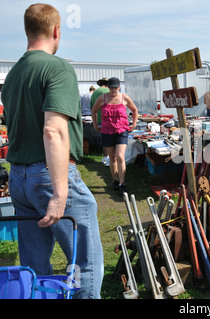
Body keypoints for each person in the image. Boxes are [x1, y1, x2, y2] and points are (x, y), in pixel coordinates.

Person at [1, 3, 103, 299]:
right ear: (56, 30)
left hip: (19, 176)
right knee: (85, 259)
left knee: (33, 263)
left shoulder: (15, 73)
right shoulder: (57, 67)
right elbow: (53, 130)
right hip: (49, 174)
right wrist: (60, 193)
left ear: (27, 30)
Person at [91, 77, 138, 194]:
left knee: (120, 156)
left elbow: (135, 110)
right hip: (107, 131)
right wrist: (96, 125)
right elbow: (94, 111)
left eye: (115, 88)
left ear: (119, 87)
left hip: (122, 130)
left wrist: (134, 124)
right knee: (112, 157)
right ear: (108, 87)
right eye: (111, 88)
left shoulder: (124, 98)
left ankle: (122, 183)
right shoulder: (102, 98)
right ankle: (115, 180)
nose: (113, 91)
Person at [90, 78, 110, 165]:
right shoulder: (107, 91)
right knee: (110, 140)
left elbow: (91, 108)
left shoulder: (94, 93)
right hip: (107, 119)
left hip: (98, 119)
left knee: (104, 139)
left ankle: (105, 157)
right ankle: (109, 158)